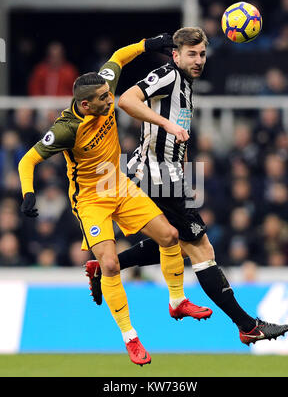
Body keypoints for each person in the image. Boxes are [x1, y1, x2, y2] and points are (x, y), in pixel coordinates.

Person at [86, 27, 288, 346]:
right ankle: (247, 325)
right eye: (191, 54)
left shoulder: (186, 84)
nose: (198, 60)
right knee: (201, 249)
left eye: (202, 54)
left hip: (168, 175)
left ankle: (106, 265)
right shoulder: (167, 74)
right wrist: (165, 124)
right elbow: (127, 99)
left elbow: (171, 135)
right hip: (156, 176)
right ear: (176, 55)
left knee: (175, 243)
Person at [18, 34, 212, 367]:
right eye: (103, 100)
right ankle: (130, 338)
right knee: (110, 264)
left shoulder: (102, 86)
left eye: (110, 95)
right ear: (85, 106)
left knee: (170, 236)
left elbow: (118, 57)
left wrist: (148, 44)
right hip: (91, 200)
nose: (111, 101)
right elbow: (27, 161)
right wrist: (28, 193)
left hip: (118, 184)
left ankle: (177, 300)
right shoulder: (67, 129)